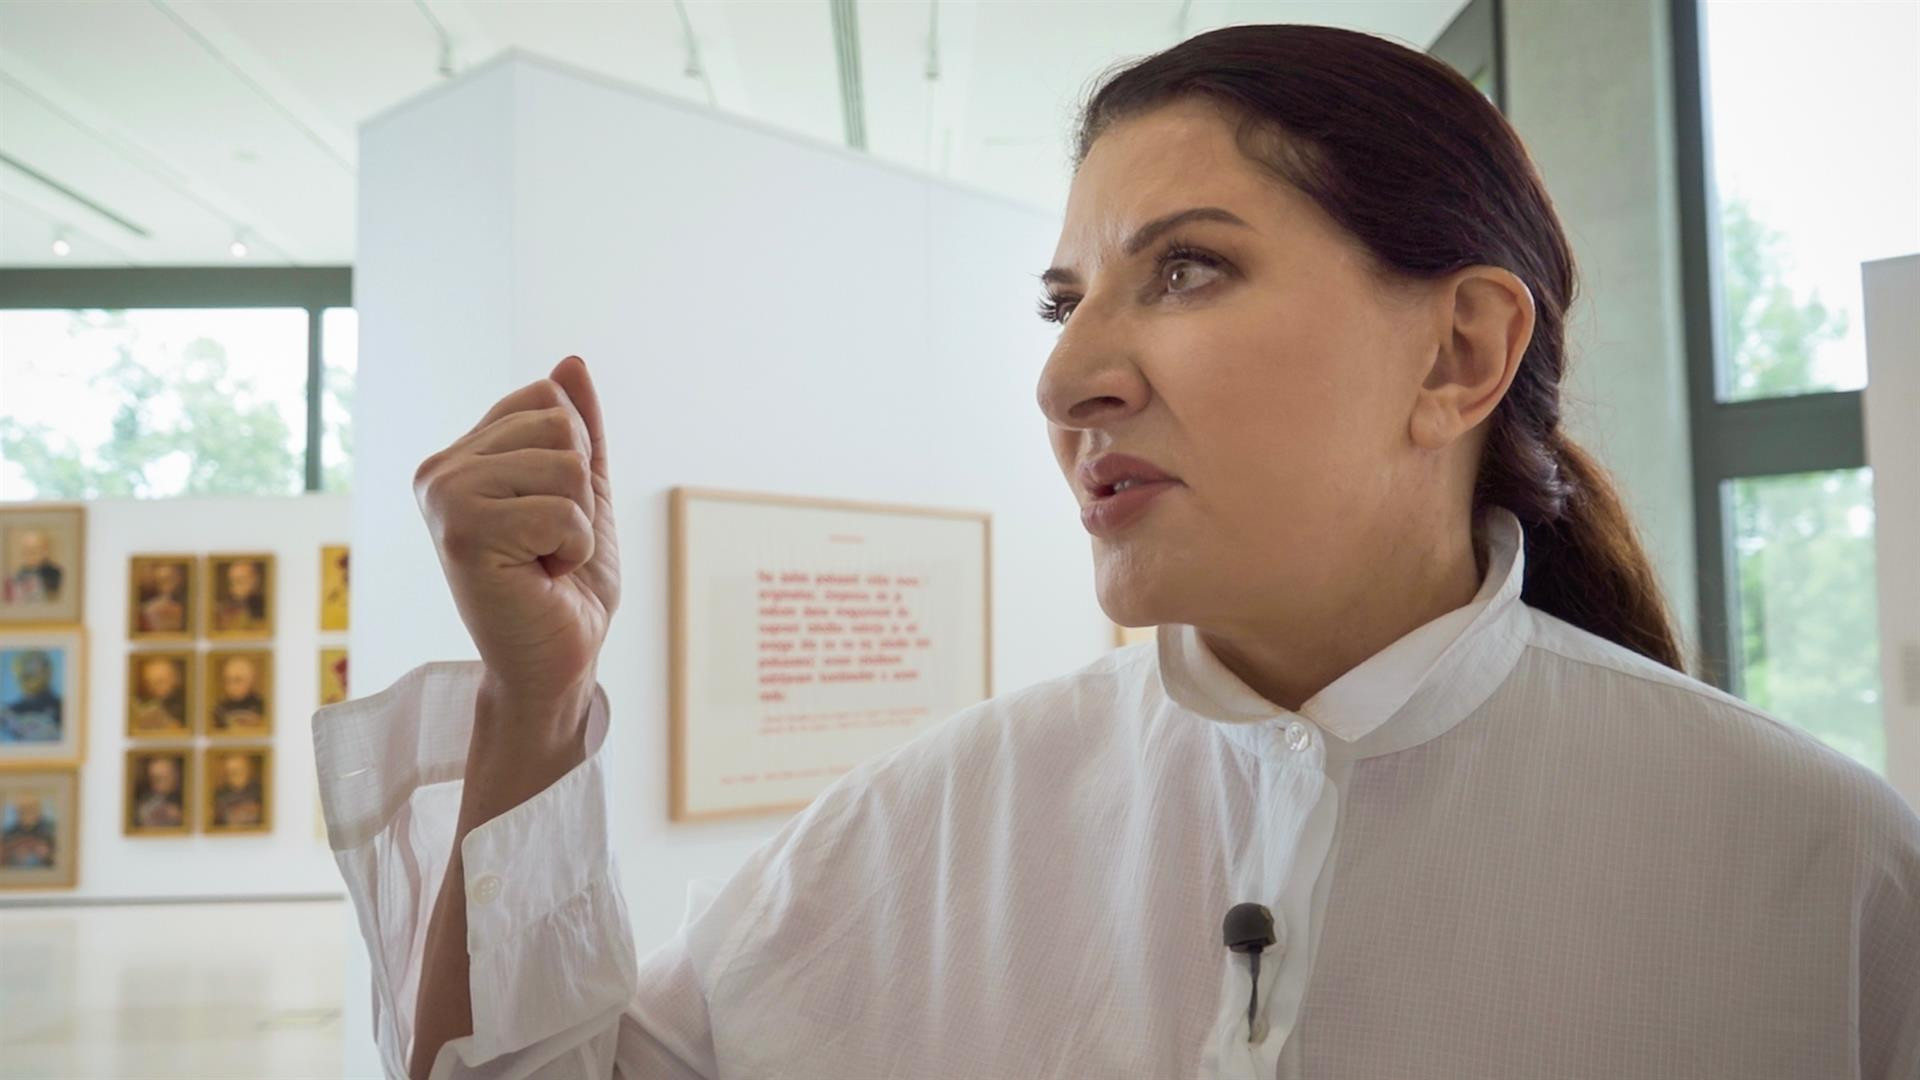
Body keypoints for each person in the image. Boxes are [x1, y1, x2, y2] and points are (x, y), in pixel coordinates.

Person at [313, 24, 1920, 1080]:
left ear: (1458, 353)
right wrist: (534, 710)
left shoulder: (1817, 868)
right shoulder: (922, 826)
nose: (1069, 376)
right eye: (1064, 298)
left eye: (1191, 271)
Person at [0, 650, 62, 744]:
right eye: (26, 676)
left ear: (47, 672)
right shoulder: (10, 710)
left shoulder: (62, 706)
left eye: (35, 673)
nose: (30, 680)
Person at [129, 656, 187, 734]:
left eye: (160, 681)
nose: (153, 688)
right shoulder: (148, 705)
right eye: (149, 683)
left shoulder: (185, 704)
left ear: (177, 679)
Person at [3, 529, 62, 606]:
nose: (30, 554)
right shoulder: (17, 576)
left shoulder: (56, 574)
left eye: (35, 549)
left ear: (45, 551)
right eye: (26, 550)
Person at [210, 655, 267, 732]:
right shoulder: (219, 708)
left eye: (238, 680)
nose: (231, 686)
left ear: (250, 681)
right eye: (227, 680)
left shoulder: (263, 705)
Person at [210, 752, 263, 828]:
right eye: (228, 773)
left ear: (248, 771)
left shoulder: (259, 792)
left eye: (236, 772)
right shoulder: (220, 795)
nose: (231, 777)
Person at [0, 794, 55, 868]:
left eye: (31, 809)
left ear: (38, 811)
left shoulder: (49, 831)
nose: (26, 814)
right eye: (22, 810)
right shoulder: (9, 833)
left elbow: (58, 860)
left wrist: (46, 855)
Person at [133, 754, 185, 829]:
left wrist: (180, 815)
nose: (156, 784)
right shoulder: (145, 800)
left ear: (177, 775)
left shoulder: (188, 796)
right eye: (154, 779)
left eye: (164, 778)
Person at [214, 558, 267, 632]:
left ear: (255, 580)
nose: (233, 588)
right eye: (232, 582)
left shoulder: (267, 607)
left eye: (240, 580)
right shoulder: (224, 610)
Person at [137, 560, 188, 633]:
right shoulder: (149, 610)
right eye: (161, 582)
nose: (167, 586)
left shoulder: (188, 604)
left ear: (180, 579)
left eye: (171, 580)